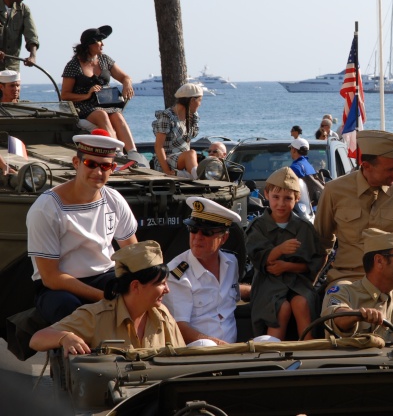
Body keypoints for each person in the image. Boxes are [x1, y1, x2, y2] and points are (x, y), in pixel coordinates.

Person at [27, 130, 138, 323]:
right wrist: (104, 298)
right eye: (91, 164)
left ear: (113, 168)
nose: (98, 172)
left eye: (105, 166)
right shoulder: (47, 208)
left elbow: (133, 253)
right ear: (76, 163)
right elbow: (51, 276)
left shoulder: (114, 200)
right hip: (59, 285)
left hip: (105, 275)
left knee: (139, 291)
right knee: (67, 307)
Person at [315, 130, 393, 289]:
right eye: (390, 169)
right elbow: (321, 242)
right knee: (341, 312)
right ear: (367, 166)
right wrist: (309, 284)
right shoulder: (334, 190)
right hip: (347, 278)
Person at [29, 241, 184, 353]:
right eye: (161, 284)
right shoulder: (96, 317)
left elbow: (181, 359)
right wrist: (65, 337)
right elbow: (37, 339)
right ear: (135, 286)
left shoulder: (162, 317)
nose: (167, 290)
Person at [247, 167, 324, 339]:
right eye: (276, 197)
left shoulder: (304, 228)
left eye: (288, 198)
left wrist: (287, 266)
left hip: (297, 281)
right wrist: (279, 250)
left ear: (297, 199)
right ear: (266, 195)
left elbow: (314, 263)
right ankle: (272, 351)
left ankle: (308, 349)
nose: (281, 204)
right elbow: (261, 260)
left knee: (302, 303)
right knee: (280, 308)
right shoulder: (258, 227)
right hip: (268, 283)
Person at [163, 197, 249, 345]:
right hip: (199, 356)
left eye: (206, 232)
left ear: (224, 238)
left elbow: (227, 292)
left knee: (270, 342)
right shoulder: (177, 274)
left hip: (233, 352)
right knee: (207, 345)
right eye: (193, 230)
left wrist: (258, 291)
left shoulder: (231, 262)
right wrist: (220, 345)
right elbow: (179, 328)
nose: (197, 237)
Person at [61, 25, 137, 154]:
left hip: (105, 103)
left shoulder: (104, 60)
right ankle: (117, 152)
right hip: (84, 105)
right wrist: (86, 95)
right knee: (101, 114)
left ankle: (133, 153)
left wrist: (127, 84)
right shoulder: (73, 65)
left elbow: (125, 77)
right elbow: (65, 95)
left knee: (118, 116)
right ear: (89, 44)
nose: (103, 44)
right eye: (99, 41)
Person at [152, 82, 203, 178]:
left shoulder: (193, 116)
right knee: (191, 153)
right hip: (166, 162)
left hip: (184, 162)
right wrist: (166, 171)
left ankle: (191, 175)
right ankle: (198, 179)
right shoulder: (167, 116)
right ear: (192, 100)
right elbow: (158, 146)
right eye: (199, 100)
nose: (200, 104)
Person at [0, 0, 38, 71]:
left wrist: (32, 56)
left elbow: (31, 35)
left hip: (12, 68)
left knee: (14, 87)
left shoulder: (24, 10)